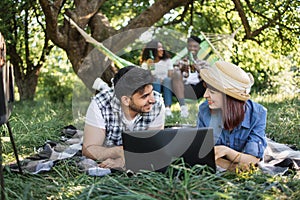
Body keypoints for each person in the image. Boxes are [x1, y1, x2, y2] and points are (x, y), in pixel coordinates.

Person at [82, 66, 165, 170]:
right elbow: (89, 149)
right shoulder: (100, 104)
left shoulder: (156, 103)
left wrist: (127, 159)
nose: (152, 99)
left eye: (152, 92)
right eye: (145, 96)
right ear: (126, 100)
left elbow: (154, 147)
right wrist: (119, 152)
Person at [197, 61, 267, 171]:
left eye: (212, 91)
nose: (205, 95)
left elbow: (253, 159)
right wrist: (233, 167)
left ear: (229, 97)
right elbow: (203, 154)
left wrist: (225, 151)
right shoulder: (204, 110)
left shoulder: (257, 114)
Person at [172, 35, 209, 118]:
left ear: (199, 48)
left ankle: (209, 107)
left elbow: (209, 77)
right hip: (182, 89)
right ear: (187, 48)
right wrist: (181, 69)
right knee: (176, 74)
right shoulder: (180, 61)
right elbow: (171, 75)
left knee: (209, 80)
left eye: (195, 46)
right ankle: (183, 108)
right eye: (190, 46)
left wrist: (199, 69)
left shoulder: (204, 63)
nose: (192, 48)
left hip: (198, 90)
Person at [140, 40, 174, 117]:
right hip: (153, 84)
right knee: (156, 80)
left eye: (162, 47)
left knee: (167, 80)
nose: (162, 49)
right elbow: (145, 78)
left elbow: (170, 75)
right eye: (159, 47)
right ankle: (157, 107)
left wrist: (162, 79)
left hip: (166, 83)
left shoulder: (167, 60)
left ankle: (167, 108)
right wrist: (149, 68)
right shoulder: (147, 63)